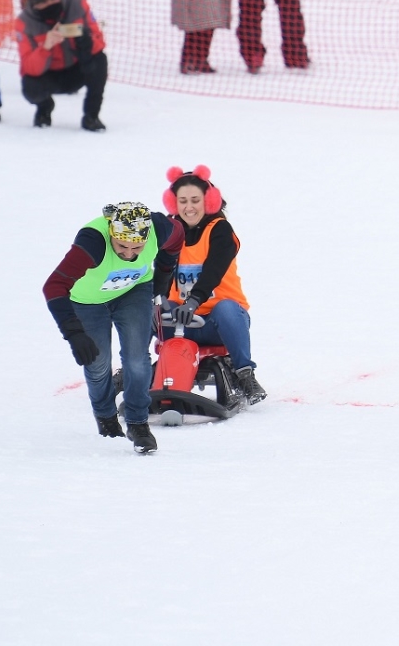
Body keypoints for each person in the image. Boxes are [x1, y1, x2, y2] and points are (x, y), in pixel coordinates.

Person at [42, 200, 183, 454]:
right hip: (87, 302)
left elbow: (176, 240)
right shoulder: (92, 242)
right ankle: (107, 419)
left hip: (134, 292)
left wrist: (163, 279)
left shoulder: (160, 228)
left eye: (137, 247)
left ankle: (138, 423)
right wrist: (74, 333)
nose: (129, 254)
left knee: (137, 359)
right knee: (97, 364)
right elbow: (53, 287)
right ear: (111, 233)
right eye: (122, 246)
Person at [161, 166, 266, 405]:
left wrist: (194, 301)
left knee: (226, 308)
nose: (189, 207)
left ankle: (245, 374)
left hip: (217, 323)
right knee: (148, 309)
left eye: (195, 200)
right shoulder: (169, 232)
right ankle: (137, 370)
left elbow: (214, 271)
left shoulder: (220, 230)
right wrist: (161, 299)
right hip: (179, 322)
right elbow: (160, 272)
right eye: (183, 201)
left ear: (208, 201)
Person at [15, 0, 108, 130]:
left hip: (78, 69)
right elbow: (28, 67)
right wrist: (45, 47)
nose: (50, 3)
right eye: (43, 2)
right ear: (34, 3)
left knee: (100, 60)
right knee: (30, 86)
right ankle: (44, 108)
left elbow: (99, 41)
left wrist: (87, 41)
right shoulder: (24, 22)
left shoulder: (77, 4)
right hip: (50, 75)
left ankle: (91, 116)